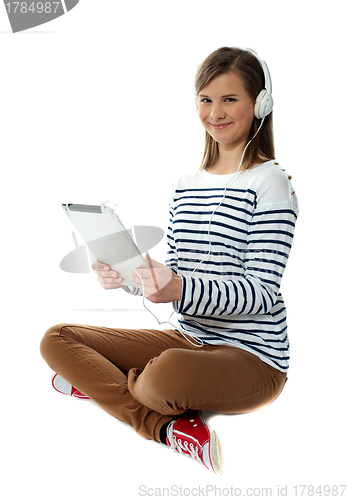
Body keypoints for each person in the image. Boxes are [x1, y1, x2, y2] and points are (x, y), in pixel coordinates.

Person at [40, 47, 299, 475]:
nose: (215, 112)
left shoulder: (272, 183)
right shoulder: (185, 184)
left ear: (261, 104)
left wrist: (178, 288)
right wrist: (127, 277)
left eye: (230, 99)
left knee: (163, 377)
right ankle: (165, 429)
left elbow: (261, 291)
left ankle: (103, 385)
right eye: (206, 99)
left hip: (254, 358)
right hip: (188, 339)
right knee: (57, 339)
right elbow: (176, 273)